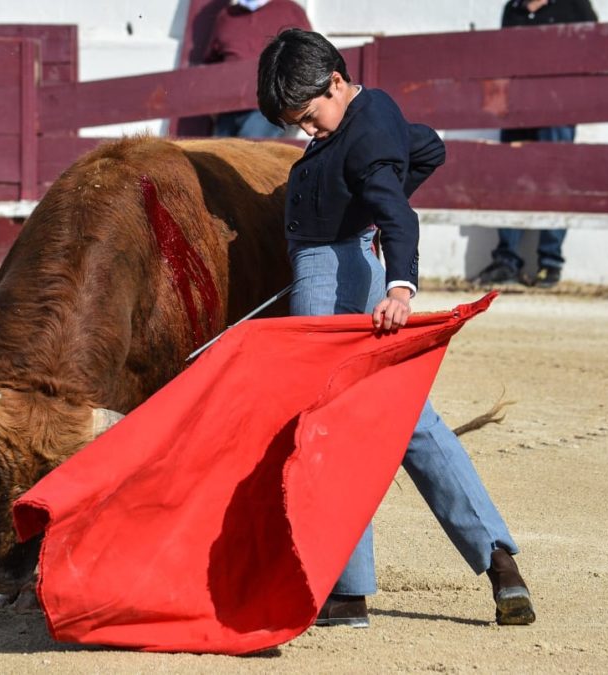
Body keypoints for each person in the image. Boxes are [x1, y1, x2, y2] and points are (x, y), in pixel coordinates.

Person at [257, 28, 535, 628]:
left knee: (327, 419)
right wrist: (369, 218)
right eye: (297, 126)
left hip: (331, 277)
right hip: (353, 260)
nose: (306, 132)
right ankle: (498, 559)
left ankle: (348, 589)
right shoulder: (376, 114)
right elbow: (429, 147)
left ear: (336, 81)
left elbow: (396, 209)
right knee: (407, 416)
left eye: (309, 117)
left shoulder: (364, 139)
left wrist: (400, 286)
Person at [475, 0, 599, 288]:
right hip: (517, 107)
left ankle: (550, 262)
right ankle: (507, 261)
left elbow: (595, 51)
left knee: (555, 179)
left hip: (560, 107)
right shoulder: (513, 9)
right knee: (512, 180)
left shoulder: (575, 5)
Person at [203, 0, 312, 138]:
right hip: (228, 108)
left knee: (246, 150)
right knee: (215, 154)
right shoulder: (226, 17)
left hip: (272, 106)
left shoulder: (291, 11)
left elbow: (308, 57)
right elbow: (212, 63)